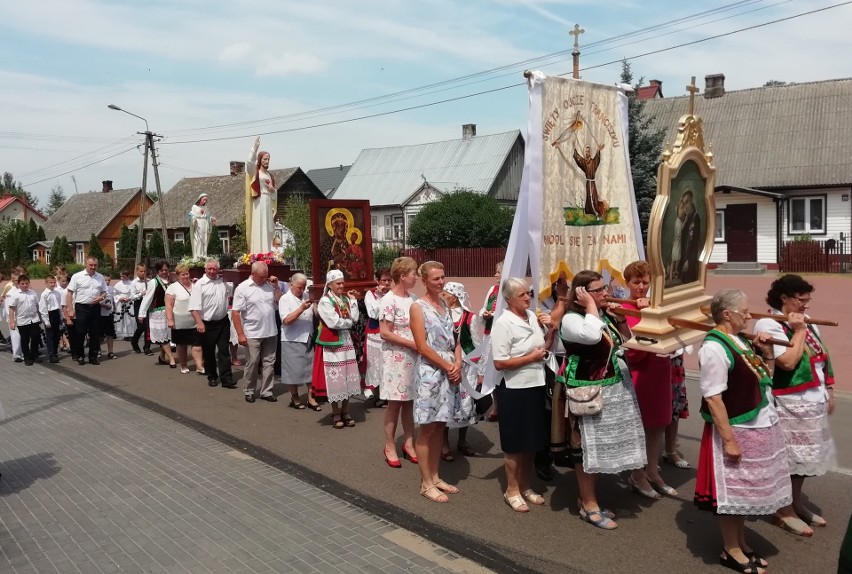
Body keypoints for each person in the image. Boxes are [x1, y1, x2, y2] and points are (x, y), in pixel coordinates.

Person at [693, 289, 792, 573]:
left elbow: (766, 378)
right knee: (733, 496)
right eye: (745, 312)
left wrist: (768, 352)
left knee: (746, 495)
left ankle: (741, 542)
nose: (749, 316)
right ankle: (731, 549)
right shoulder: (714, 347)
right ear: (727, 314)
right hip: (737, 428)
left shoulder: (737, 340)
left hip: (757, 426)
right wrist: (729, 441)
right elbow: (713, 398)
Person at [559, 270, 646, 530]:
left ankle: (589, 499)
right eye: (598, 290)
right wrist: (589, 306)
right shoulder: (572, 320)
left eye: (604, 289)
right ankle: (588, 504)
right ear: (582, 293)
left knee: (604, 445)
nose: (605, 294)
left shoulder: (603, 315)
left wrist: (620, 319)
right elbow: (592, 336)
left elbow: (628, 341)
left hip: (613, 388)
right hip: (588, 391)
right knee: (587, 448)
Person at [754, 274, 837, 537]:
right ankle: (783, 510)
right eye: (801, 300)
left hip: (814, 398)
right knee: (790, 459)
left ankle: (796, 502)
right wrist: (799, 331)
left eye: (807, 301)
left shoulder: (807, 321)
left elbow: (822, 358)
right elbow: (788, 362)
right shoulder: (768, 323)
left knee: (805, 460)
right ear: (784, 298)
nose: (806, 306)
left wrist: (830, 389)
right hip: (790, 400)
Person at [491, 277, 550, 512]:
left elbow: (543, 346)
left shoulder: (532, 317)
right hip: (514, 388)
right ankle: (512, 490)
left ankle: (525, 486)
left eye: (529, 293)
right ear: (508, 299)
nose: (528, 298)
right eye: (522, 295)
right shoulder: (503, 323)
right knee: (515, 443)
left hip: (536, 384)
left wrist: (551, 329)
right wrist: (530, 358)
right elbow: (499, 362)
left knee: (531, 441)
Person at [621, 261, 676, 499]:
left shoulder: (656, 305)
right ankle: (637, 473)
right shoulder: (623, 307)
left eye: (645, 282)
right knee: (638, 427)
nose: (641, 287)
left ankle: (652, 470)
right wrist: (643, 315)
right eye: (636, 282)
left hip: (660, 370)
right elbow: (632, 349)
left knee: (658, 424)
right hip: (639, 373)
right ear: (627, 284)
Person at [409, 261, 462, 503]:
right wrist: (447, 365)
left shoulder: (445, 304)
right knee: (427, 427)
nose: (441, 282)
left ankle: (436, 476)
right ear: (424, 281)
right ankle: (425, 482)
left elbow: (456, 339)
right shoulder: (417, 308)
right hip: (431, 371)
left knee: (441, 424)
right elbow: (421, 345)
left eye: (442, 277)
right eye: (435, 279)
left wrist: (458, 363)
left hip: (449, 368)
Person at [378, 257, 419, 467]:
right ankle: (390, 445)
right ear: (402, 276)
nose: (416, 277)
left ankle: (409, 443)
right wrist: (411, 344)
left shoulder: (413, 299)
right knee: (395, 402)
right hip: (396, 357)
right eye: (413, 273)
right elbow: (385, 333)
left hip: (412, 357)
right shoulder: (388, 300)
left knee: (410, 401)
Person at [312, 269, 362, 426]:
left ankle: (345, 411)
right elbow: (333, 322)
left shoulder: (345, 299)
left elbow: (354, 317)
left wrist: (353, 301)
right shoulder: (325, 301)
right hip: (333, 344)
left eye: (342, 282)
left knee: (347, 376)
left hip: (346, 341)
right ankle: (335, 412)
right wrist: (348, 322)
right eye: (338, 283)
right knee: (335, 377)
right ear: (330, 285)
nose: (342, 285)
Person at [232, 261, 283, 403]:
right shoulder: (243, 288)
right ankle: (249, 389)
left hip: (270, 331)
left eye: (265, 276)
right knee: (253, 362)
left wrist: (276, 286)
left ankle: (266, 390)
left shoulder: (269, 286)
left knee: (269, 362)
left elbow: (280, 301)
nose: (263, 279)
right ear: (253, 274)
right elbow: (235, 313)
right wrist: (240, 334)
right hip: (252, 332)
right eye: (261, 276)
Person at [440, 281, 479, 461]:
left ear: (454, 297)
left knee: (466, 403)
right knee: (447, 401)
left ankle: (462, 441)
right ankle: (444, 443)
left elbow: (477, 343)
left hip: (466, 364)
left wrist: (480, 371)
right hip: (447, 362)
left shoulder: (469, 316)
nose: (443, 296)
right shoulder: (442, 314)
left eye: (446, 294)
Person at [189, 258, 236, 389]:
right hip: (207, 323)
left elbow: (234, 288)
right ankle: (212, 376)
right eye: (209, 268)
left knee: (224, 351)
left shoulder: (223, 282)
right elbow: (193, 308)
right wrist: (199, 323)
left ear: (218, 270)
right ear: (205, 269)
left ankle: (226, 378)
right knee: (209, 352)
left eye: (214, 269)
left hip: (223, 322)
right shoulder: (200, 285)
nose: (211, 271)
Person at [278, 273, 319, 410]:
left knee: (310, 369)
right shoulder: (285, 299)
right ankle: (294, 396)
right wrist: (301, 308)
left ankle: (311, 397)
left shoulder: (307, 296)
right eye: (299, 287)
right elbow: (286, 320)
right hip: (292, 338)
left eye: (303, 287)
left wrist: (317, 304)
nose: (302, 290)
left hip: (308, 337)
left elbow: (316, 314)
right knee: (293, 370)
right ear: (292, 284)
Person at [66, 257, 108, 366]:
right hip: (81, 307)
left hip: (95, 307)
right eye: (91, 265)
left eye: (95, 265)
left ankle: (93, 357)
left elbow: (104, 292)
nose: (93, 267)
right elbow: (69, 293)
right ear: (86, 264)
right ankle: (80, 355)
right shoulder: (77, 276)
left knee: (95, 333)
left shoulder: (100, 277)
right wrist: (70, 309)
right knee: (80, 332)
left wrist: (101, 297)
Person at [166, 264, 204, 374]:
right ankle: (183, 365)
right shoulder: (173, 287)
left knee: (197, 344)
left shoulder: (195, 285)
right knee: (181, 344)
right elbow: (169, 305)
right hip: (180, 321)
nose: (185, 276)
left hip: (195, 321)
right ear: (178, 276)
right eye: (183, 274)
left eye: (187, 273)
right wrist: (170, 320)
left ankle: (199, 366)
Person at [138, 260, 175, 368]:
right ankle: (171, 358)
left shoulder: (171, 280)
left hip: (170, 312)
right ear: (158, 271)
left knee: (168, 336)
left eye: (166, 269)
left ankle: (162, 357)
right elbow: (147, 298)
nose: (164, 272)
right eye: (162, 270)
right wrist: (142, 313)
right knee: (163, 336)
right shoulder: (153, 282)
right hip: (158, 312)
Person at [479, 260, 503, 422]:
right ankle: (496, 405)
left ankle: (504, 405)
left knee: (503, 370)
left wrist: (494, 315)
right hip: (489, 335)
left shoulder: (512, 290)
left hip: (503, 335)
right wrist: (485, 313)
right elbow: (483, 308)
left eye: (498, 272)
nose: (495, 275)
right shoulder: (492, 289)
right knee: (491, 370)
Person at [364, 268, 391, 404]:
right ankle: (378, 395)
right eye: (383, 280)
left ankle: (388, 395)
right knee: (376, 364)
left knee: (388, 364)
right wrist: (381, 297)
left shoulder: (393, 294)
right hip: (375, 333)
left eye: (388, 280)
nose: (386, 283)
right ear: (377, 281)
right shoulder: (371, 294)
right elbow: (373, 314)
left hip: (390, 333)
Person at [246, 137, 276, 254]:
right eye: (265, 159)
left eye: (268, 159)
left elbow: (274, 193)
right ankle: (258, 252)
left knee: (268, 227)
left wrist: (273, 190)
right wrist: (254, 148)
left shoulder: (270, 175)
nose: (267, 161)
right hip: (259, 201)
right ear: (260, 160)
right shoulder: (256, 172)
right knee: (259, 225)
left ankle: (268, 251)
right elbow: (249, 164)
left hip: (268, 202)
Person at [8, 274, 42, 366]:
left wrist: (40, 317)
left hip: (34, 319)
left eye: (26, 283)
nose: (24, 285)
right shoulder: (15, 295)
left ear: (29, 283)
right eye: (22, 284)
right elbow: (12, 309)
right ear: (19, 284)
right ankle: (26, 357)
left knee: (35, 337)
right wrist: (12, 321)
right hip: (22, 320)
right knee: (25, 339)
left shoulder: (33, 293)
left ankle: (34, 354)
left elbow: (37, 306)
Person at [573, 143, 606, 217]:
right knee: (589, 196)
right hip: (588, 183)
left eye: (588, 151)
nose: (587, 153)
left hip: (592, 182)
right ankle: (589, 210)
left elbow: (597, 159)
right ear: (584, 153)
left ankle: (596, 212)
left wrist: (598, 150)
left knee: (592, 197)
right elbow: (578, 159)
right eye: (586, 151)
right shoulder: (584, 162)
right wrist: (574, 148)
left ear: (590, 152)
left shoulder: (593, 162)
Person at [678, 189, 702, 283]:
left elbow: (694, 241)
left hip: (691, 257)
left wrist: (688, 260)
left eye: (687, 202)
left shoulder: (696, 218)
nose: (685, 206)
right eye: (684, 203)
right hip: (684, 255)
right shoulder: (687, 218)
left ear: (692, 202)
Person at [2, 268, 25, 362]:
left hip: (23, 317)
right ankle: (16, 355)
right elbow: (8, 307)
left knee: (23, 336)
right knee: (16, 336)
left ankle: (23, 353)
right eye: (16, 280)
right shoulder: (11, 292)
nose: (18, 282)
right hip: (14, 318)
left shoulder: (23, 290)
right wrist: (12, 319)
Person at [38, 274, 62, 363]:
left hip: (56, 314)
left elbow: (59, 305)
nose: (52, 284)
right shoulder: (44, 294)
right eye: (50, 282)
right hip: (49, 315)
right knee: (50, 336)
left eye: (54, 282)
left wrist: (61, 316)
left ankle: (55, 352)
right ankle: (51, 355)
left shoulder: (57, 293)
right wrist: (46, 321)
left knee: (56, 335)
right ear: (46, 283)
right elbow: (43, 308)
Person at [130, 264, 152, 355]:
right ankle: (134, 341)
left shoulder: (150, 281)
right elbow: (132, 297)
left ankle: (147, 347)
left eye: (144, 271)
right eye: (141, 271)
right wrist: (141, 294)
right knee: (141, 326)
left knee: (148, 326)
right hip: (138, 304)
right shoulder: (134, 283)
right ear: (137, 271)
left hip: (148, 304)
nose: (143, 273)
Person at [112, 269, 137, 341]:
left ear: (128, 276)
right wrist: (119, 298)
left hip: (129, 303)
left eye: (123, 277)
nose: (122, 278)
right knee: (122, 318)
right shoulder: (118, 284)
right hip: (121, 303)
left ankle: (130, 334)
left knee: (130, 318)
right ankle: (123, 334)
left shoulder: (131, 284)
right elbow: (115, 294)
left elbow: (134, 294)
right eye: (121, 276)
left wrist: (129, 298)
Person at [189, 193, 216, 259]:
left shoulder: (205, 207)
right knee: (198, 239)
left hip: (205, 223)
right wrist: (193, 219)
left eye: (206, 200)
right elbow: (191, 215)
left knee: (204, 238)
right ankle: (198, 255)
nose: (205, 201)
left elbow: (207, 216)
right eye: (204, 199)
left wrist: (211, 218)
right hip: (198, 223)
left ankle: (204, 254)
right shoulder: (194, 207)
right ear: (200, 199)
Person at [99, 273, 117, 360]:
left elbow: (113, 300)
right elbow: (96, 302)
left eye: (109, 280)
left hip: (109, 314)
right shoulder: (99, 289)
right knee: (99, 334)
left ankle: (110, 351)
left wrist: (114, 308)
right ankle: (97, 350)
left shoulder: (112, 289)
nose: (107, 282)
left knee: (110, 333)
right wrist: (104, 306)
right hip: (100, 314)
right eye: (105, 280)